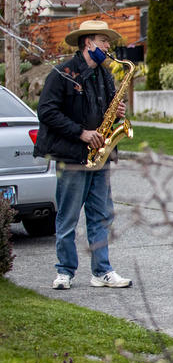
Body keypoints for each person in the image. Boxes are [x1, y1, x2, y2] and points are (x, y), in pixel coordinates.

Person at [34, 19, 132, 290]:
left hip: (99, 155)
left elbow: (107, 114)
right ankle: (64, 271)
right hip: (73, 155)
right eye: (103, 41)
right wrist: (82, 133)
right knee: (68, 216)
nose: (107, 46)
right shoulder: (62, 73)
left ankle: (102, 271)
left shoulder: (104, 75)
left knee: (101, 214)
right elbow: (47, 112)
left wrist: (117, 114)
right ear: (88, 43)